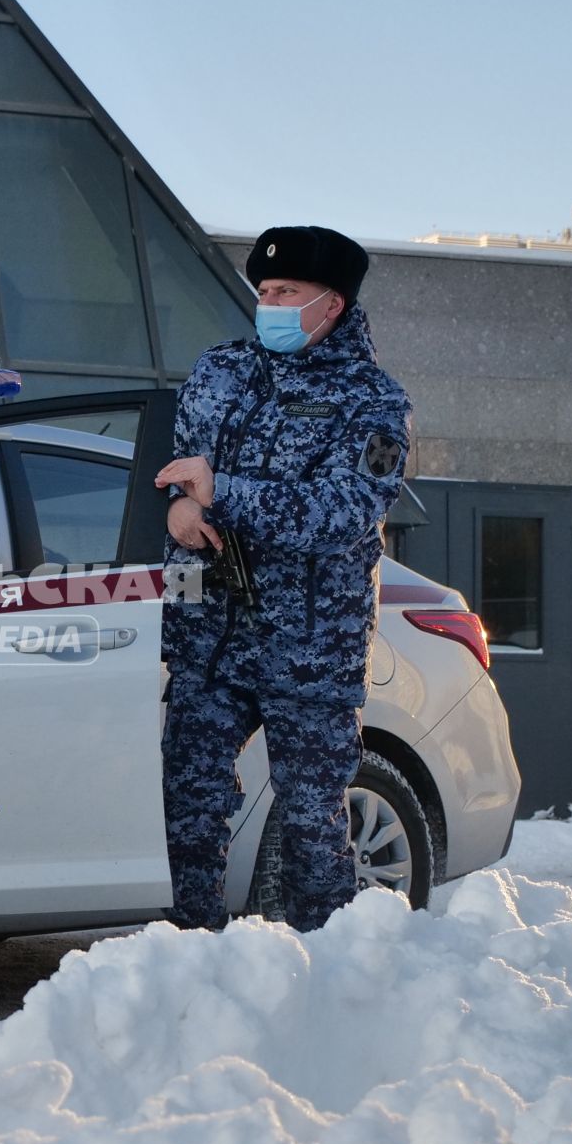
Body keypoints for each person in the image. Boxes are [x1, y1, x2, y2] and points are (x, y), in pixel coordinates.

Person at [150, 225, 411, 932]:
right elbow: (178, 475)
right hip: (209, 631)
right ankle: (189, 957)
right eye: (263, 292)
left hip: (309, 648)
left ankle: (318, 968)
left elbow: (341, 515)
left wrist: (220, 492)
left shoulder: (374, 404)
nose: (269, 304)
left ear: (331, 304)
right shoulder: (220, 372)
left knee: (310, 824)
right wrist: (179, 510)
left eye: (286, 292)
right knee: (187, 805)